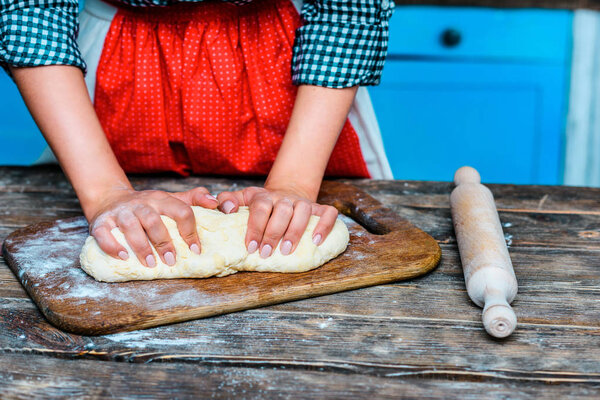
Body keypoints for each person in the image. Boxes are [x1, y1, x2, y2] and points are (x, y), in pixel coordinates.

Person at [0, 0, 394, 268]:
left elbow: (347, 8)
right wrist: (105, 193)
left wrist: (295, 183)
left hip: (290, 68)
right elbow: (32, 9)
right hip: (118, 60)